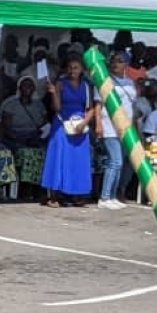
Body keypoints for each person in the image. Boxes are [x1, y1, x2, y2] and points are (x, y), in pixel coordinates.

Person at [41, 52, 96, 207]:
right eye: (70, 67)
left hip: (80, 125)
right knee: (59, 157)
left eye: (76, 67)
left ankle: (76, 194)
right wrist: (54, 93)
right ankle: (54, 196)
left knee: (78, 160)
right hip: (62, 123)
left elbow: (90, 108)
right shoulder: (61, 83)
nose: (73, 70)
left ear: (82, 69)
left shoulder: (86, 86)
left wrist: (84, 123)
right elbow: (57, 108)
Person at [94, 51, 137, 210]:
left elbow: (132, 105)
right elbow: (98, 104)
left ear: (126, 64)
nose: (115, 64)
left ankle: (113, 196)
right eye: (113, 60)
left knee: (120, 164)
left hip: (125, 128)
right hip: (110, 126)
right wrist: (98, 124)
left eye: (120, 61)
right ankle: (104, 197)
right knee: (115, 161)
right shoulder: (104, 81)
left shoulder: (130, 83)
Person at [0, 76, 49, 201]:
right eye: (25, 85)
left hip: (34, 136)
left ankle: (38, 189)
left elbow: (45, 124)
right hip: (15, 138)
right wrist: (22, 140)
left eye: (30, 85)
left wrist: (38, 138)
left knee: (43, 153)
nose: (28, 88)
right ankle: (24, 190)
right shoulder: (11, 104)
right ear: (19, 88)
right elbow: (6, 128)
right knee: (26, 153)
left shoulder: (39, 105)